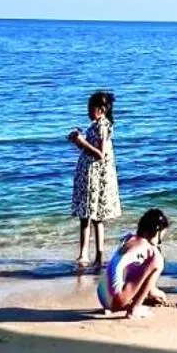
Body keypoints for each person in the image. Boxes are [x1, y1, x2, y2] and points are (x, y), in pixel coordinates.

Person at [67, 89, 120, 274]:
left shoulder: (103, 126)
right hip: (89, 176)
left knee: (95, 217)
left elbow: (100, 154)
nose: (88, 111)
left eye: (91, 108)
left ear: (101, 109)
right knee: (86, 216)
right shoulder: (96, 125)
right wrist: (77, 141)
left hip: (96, 177)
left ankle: (96, 256)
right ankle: (84, 254)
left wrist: (81, 142)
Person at [97, 208, 177, 317]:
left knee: (134, 269)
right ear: (156, 231)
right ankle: (135, 310)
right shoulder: (148, 248)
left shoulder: (128, 238)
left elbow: (131, 274)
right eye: (160, 238)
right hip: (116, 298)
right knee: (158, 261)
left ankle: (125, 302)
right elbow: (149, 284)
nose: (159, 242)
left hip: (102, 295)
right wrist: (158, 293)